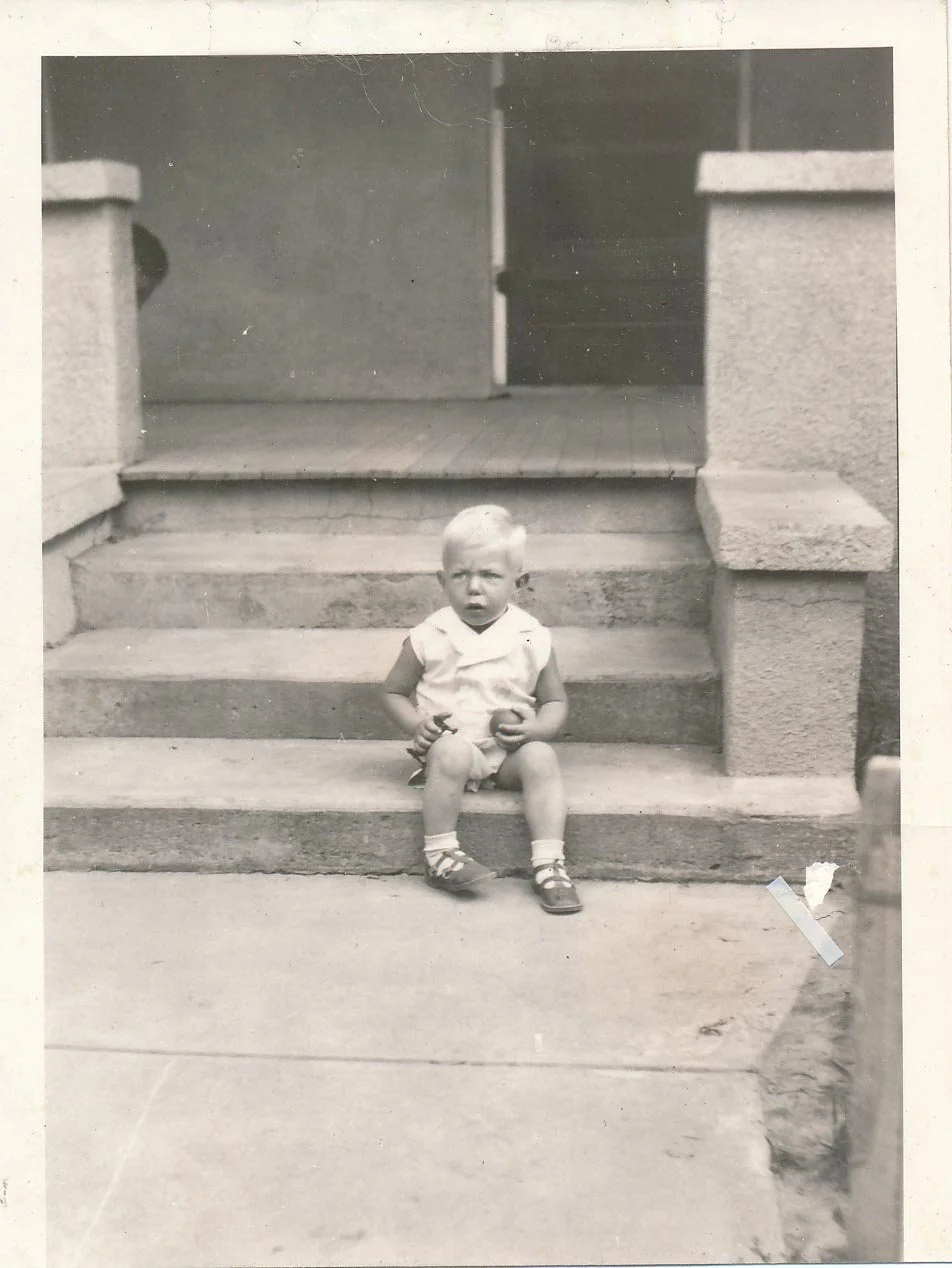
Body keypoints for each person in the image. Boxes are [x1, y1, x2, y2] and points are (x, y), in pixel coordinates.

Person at [380, 505, 582, 914]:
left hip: (504, 753)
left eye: (490, 575)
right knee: (452, 750)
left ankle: (549, 862)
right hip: (451, 751)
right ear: (442, 580)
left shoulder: (531, 636)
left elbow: (556, 701)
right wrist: (416, 727)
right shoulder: (430, 635)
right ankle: (439, 854)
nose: (474, 588)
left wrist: (537, 730)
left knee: (542, 757)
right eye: (460, 575)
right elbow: (392, 692)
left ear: (518, 582)